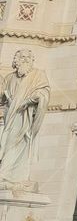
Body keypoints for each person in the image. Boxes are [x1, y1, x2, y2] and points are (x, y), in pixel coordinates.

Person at [0, 49, 50, 188]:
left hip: (25, 117)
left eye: (28, 58)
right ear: (16, 60)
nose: (25, 60)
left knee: (13, 143)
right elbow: (3, 98)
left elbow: (44, 93)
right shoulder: (10, 78)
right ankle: (8, 175)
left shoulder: (38, 75)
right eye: (22, 57)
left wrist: (28, 101)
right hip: (9, 116)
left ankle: (5, 175)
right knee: (4, 144)